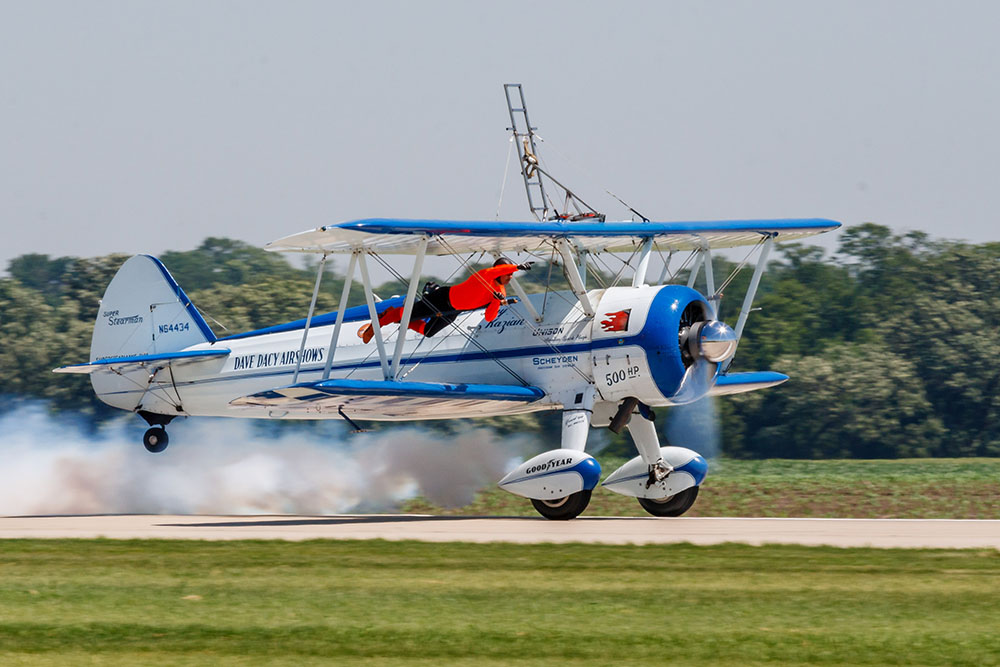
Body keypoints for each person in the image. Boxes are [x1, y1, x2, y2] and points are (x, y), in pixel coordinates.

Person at [358, 258, 532, 343]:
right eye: (508, 273)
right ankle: (377, 324)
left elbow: (489, 318)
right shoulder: (485, 275)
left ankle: (394, 316)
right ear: (500, 271)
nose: (510, 276)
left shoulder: (500, 291)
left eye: (511, 274)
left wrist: (495, 302)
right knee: (406, 315)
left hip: (454, 310)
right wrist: (517, 266)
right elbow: (497, 271)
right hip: (442, 298)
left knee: (428, 332)